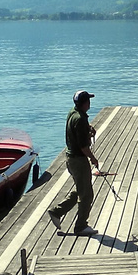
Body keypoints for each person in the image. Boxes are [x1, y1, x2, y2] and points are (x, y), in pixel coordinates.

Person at [49, 89, 99, 235]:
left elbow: (77, 130)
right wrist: (93, 158)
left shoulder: (73, 112)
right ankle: (80, 226)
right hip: (78, 160)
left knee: (80, 189)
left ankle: (57, 212)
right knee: (87, 194)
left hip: (70, 159)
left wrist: (88, 129)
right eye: (88, 100)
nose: (90, 102)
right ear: (85, 103)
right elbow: (83, 146)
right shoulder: (80, 119)